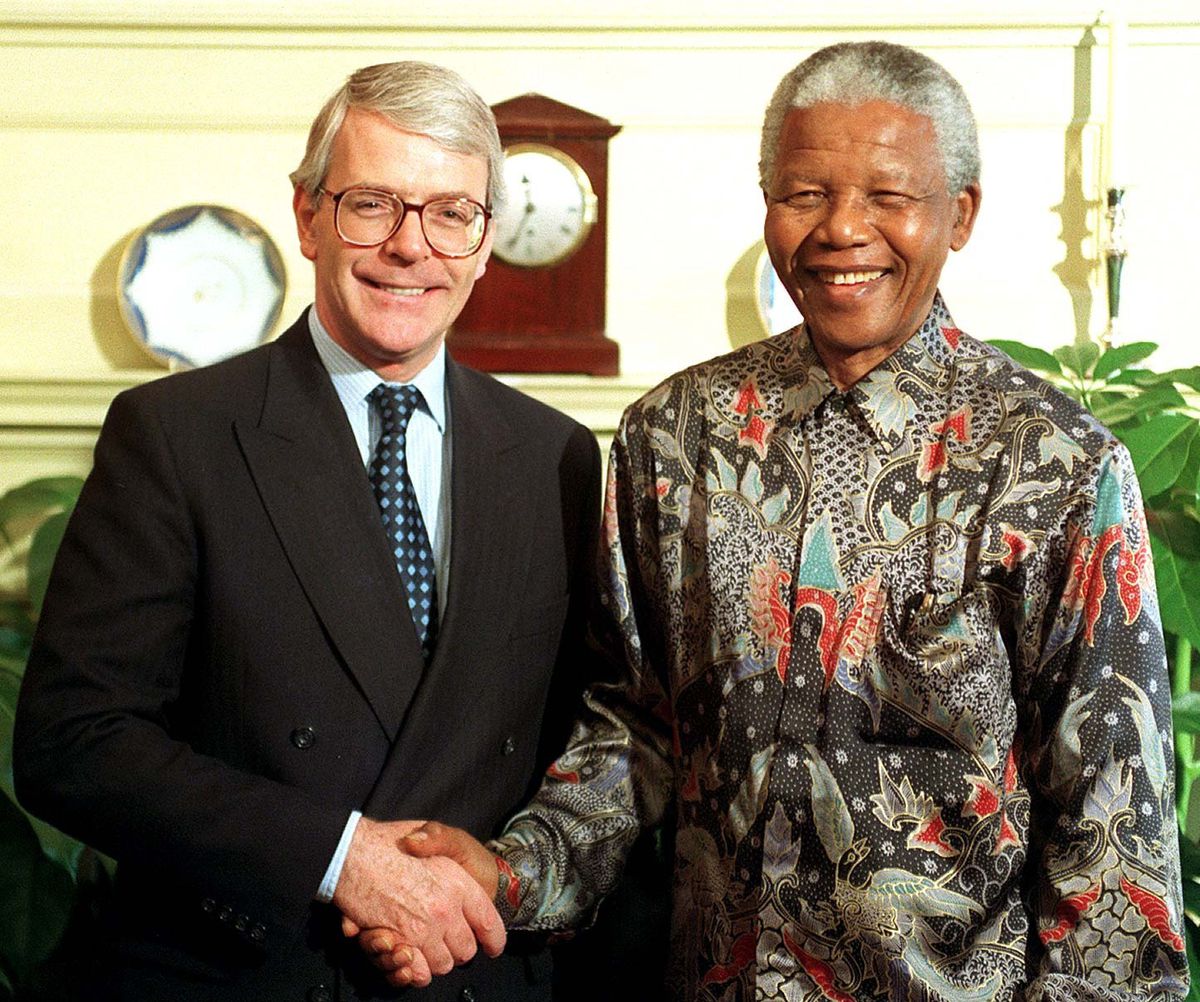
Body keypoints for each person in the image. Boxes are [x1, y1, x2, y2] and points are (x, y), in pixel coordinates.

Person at [356, 41, 1190, 1001]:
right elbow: (638, 731)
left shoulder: (1058, 465)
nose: (842, 229)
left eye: (888, 197)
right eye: (804, 194)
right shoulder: (673, 438)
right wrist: (509, 876)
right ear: (767, 207)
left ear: (959, 215)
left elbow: (1113, 829)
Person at [14, 60, 601, 1001]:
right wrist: (343, 861)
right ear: (307, 216)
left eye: (451, 213)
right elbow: (72, 741)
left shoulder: (558, 457)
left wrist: (472, 892)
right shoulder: (175, 434)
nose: (412, 247)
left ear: (485, 241)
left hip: (470, 974)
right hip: (246, 972)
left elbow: (585, 742)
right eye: (373, 203)